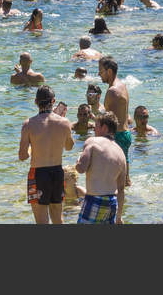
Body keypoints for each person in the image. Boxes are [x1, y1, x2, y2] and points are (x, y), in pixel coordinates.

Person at [19, 85, 74, 224]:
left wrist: (33, 147)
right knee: (58, 219)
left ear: (36, 102)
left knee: (41, 221)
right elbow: (69, 147)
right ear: (53, 101)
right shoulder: (64, 123)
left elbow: (22, 156)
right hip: (57, 172)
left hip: (38, 174)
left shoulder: (28, 125)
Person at [75, 111, 129, 223]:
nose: (94, 130)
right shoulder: (120, 153)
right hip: (112, 202)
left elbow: (81, 169)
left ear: (104, 128)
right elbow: (121, 189)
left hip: (95, 199)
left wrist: (78, 160)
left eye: (96, 127)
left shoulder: (92, 142)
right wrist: (119, 216)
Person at [98, 57, 132, 157]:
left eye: (100, 71)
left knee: (112, 170)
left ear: (109, 71)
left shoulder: (112, 91)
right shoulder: (122, 85)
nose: (99, 74)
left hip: (117, 135)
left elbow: (109, 120)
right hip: (125, 133)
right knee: (123, 169)